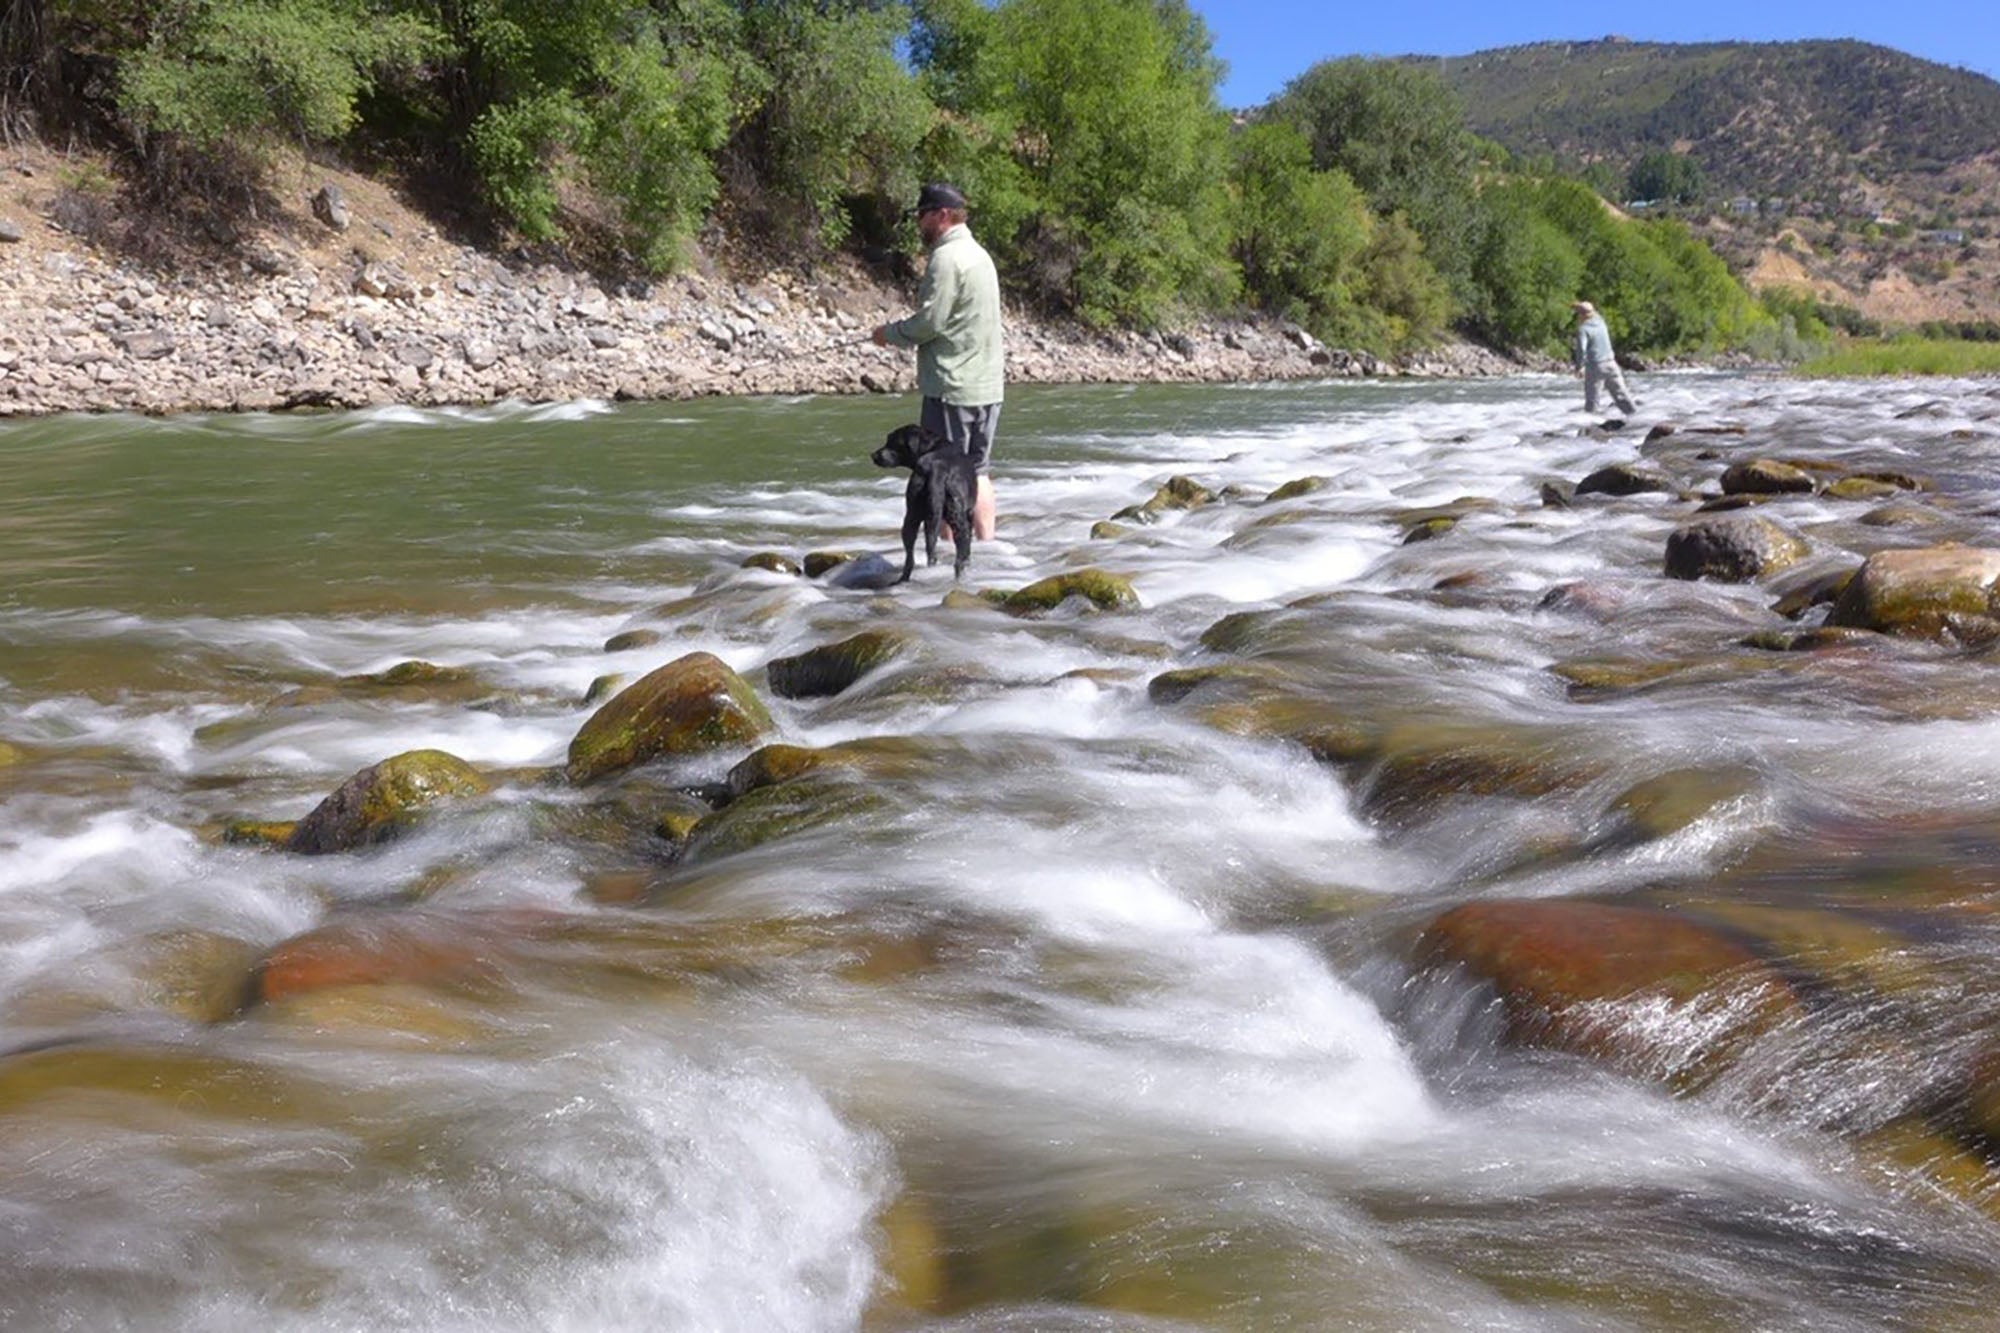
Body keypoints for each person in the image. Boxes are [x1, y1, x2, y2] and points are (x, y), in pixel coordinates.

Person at [873, 182, 1004, 540]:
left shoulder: (947, 258)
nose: (919, 223)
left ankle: (944, 569)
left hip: (952, 387)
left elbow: (931, 323)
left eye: (922, 215)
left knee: (942, 476)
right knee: (977, 471)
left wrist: (890, 334)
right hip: (988, 387)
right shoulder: (980, 254)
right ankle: (989, 553)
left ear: (942, 215)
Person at [1571, 300, 1637, 416]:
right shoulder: (1601, 322)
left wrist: (1579, 367)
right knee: (1622, 396)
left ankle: (1589, 429)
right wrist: (1580, 306)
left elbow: (1582, 348)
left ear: (1581, 315)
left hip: (1595, 366)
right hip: (1611, 364)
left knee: (1592, 401)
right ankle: (1637, 419)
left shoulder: (1583, 329)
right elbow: (1592, 313)